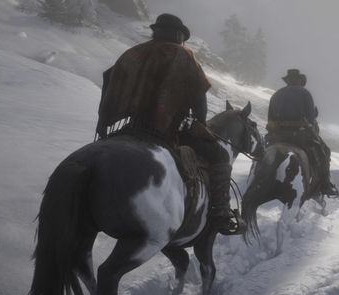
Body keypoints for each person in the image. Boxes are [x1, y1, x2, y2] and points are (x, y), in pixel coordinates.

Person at [95, 13, 236, 233]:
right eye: (182, 37)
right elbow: (199, 94)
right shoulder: (184, 55)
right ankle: (220, 214)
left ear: (157, 31)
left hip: (133, 125)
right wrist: (198, 123)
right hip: (167, 130)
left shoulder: (134, 52)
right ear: (178, 34)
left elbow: (111, 83)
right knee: (219, 156)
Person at [267, 69, 339, 197]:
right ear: (299, 80)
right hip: (300, 134)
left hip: (277, 135)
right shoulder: (305, 93)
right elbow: (311, 119)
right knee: (324, 151)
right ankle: (325, 185)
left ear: (287, 80)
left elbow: (270, 118)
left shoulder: (276, 94)